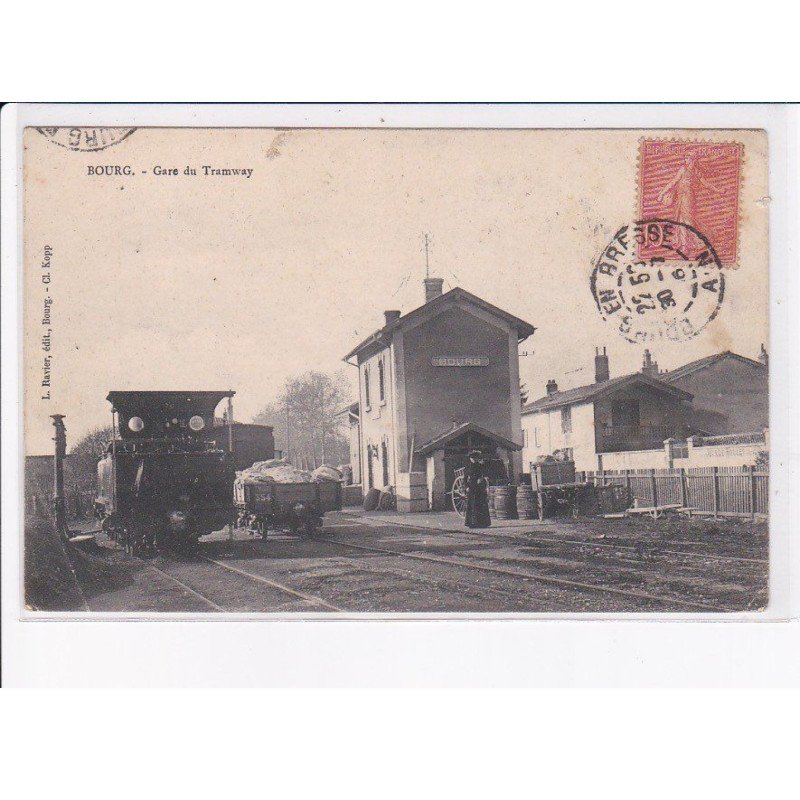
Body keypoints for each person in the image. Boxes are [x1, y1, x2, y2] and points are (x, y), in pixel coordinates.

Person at [464, 449, 491, 529]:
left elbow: (484, 475)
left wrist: (481, 479)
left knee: (481, 504)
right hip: (471, 487)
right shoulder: (468, 467)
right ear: (470, 458)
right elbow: (465, 478)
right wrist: (466, 487)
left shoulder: (480, 466)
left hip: (479, 487)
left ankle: (482, 523)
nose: (473, 459)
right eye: (472, 458)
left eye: (475, 457)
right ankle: (472, 523)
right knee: (472, 504)